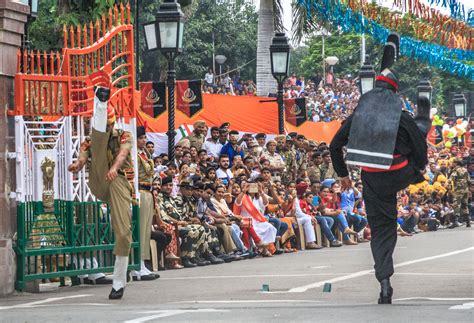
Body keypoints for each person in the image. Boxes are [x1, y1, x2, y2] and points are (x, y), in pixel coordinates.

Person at [329, 35, 429, 304]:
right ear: (395, 91)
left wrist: (343, 175)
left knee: (383, 229)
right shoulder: (402, 115)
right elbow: (420, 147)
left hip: (373, 179)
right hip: (400, 173)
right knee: (421, 130)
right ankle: (417, 176)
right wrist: (419, 169)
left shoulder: (360, 113)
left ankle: (384, 282)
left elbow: (334, 144)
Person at [68, 86, 134, 300]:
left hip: (118, 181)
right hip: (98, 178)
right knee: (96, 141)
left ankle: (118, 282)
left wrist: (114, 168)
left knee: (123, 233)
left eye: (107, 124)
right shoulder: (91, 140)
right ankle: (100, 103)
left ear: (112, 123)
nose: (106, 128)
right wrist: (77, 166)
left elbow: (123, 153)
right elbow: (83, 156)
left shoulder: (124, 135)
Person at [133, 126, 158, 280]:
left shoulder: (144, 154)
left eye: (144, 138)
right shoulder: (134, 155)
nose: (144, 140)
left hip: (148, 192)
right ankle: (137, 265)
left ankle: (142, 263)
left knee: (146, 229)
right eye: (141, 138)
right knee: (140, 228)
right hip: (140, 191)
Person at [449, 158, 470, 228]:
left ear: (456, 163)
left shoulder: (455, 170)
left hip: (458, 190)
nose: (452, 164)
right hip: (465, 189)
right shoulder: (465, 169)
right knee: (464, 205)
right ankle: (468, 221)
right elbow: (469, 180)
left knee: (456, 204)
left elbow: (452, 178)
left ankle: (455, 221)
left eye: (453, 163)